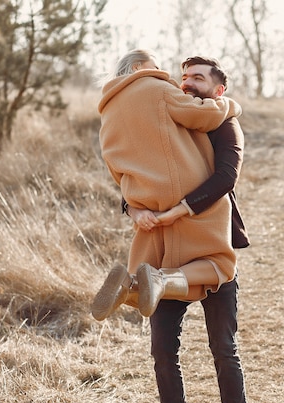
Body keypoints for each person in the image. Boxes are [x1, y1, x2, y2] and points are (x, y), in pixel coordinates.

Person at [126, 56, 249, 403]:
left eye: (198, 77)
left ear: (218, 89)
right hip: (164, 254)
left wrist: (179, 209)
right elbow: (137, 176)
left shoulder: (224, 123)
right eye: (184, 77)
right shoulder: (169, 122)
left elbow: (226, 177)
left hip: (210, 250)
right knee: (163, 353)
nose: (188, 83)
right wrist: (135, 210)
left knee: (224, 349)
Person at [92, 49, 241, 321]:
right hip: (184, 191)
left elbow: (113, 163)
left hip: (143, 200)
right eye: (156, 66)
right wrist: (229, 105)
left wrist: (134, 205)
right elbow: (199, 115)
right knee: (220, 265)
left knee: (149, 275)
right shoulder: (156, 87)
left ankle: (129, 287)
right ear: (139, 67)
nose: (165, 74)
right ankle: (158, 279)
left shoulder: (108, 108)